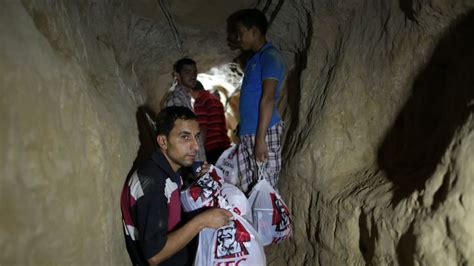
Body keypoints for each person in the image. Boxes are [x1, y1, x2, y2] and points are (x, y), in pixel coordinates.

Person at [120, 106, 232, 266]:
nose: (196, 146)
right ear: (163, 141)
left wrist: (198, 181)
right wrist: (202, 221)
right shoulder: (153, 184)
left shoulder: (170, 169)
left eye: (196, 136)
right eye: (185, 137)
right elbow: (155, 255)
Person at [226, 9, 286, 193]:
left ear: (254, 31)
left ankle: (268, 223)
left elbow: (267, 98)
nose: (238, 37)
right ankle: (251, 223)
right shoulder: (254, 60)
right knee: (248, 189)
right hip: (250, 133)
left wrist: (260, 140)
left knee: (264, 191)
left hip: (264, 132)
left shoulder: (270, 56)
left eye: (241, 32)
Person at [164, 58, 206, 162]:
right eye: (187, 72)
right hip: (190, 161)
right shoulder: (175, 99)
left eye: (194, 72)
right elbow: (179, 136)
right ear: (177, 75)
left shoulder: (186, 98)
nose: (192, 76)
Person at [190, 81, 231, 164]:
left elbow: (202, 127)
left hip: (212, 148)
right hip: (224, 145)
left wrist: (199, 147)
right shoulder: (215, 100)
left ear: (191, 91)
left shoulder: (200, 101)